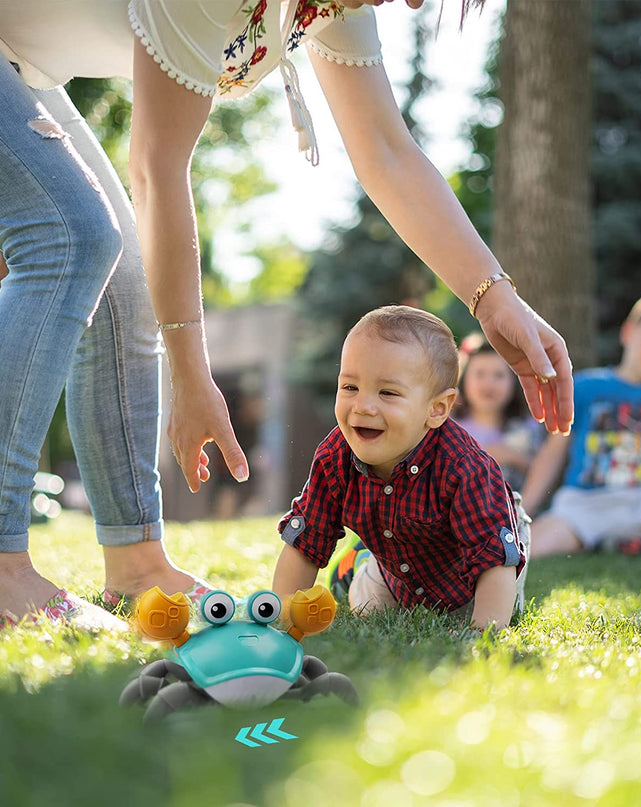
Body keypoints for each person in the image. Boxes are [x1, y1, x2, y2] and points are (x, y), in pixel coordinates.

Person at [0, 0, 570, 629]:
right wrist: (191, 376)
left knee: (123, 267)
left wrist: (494, 298)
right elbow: (157, 166)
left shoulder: (340, 5)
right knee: (74, 236)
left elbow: (385, 150)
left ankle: (135, 565)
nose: (410, 4)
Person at [272, 306, 530, 630]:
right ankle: (356, 565)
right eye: (350, 387)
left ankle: (358, 562)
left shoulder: (466, 467)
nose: (363, 406)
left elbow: (493, 558)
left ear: (436, 409)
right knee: (368, 608)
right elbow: (306, 541)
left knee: (486, 610)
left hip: (476, 577)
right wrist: (282, 619)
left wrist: (486, 634)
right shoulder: (334, 457)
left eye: (387, 393)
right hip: (396, 571)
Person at [522, 296, 641, 558]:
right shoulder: (586, 387)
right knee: (530, 546)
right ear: (628, 332)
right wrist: (524, 512)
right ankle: (613, 541)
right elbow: (553, 453)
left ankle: (619, 541)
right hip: (586, 504)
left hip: (640, 500)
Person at [454, 333, 544, 491]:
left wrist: (515, 457)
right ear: (464, 378)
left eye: (499, 375)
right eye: (480, 374)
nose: (489, 384)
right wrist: (487, 454)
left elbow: (543, 471)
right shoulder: (450, 426)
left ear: (514, 382)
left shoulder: (529, 427)